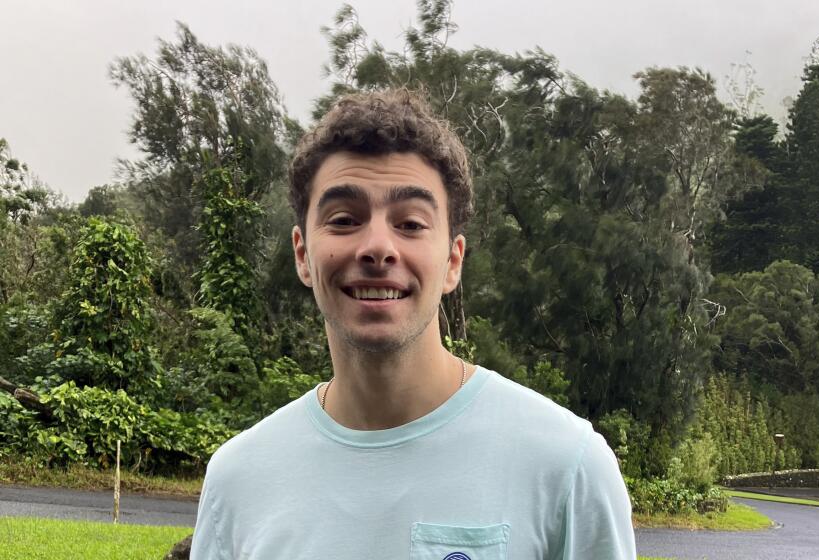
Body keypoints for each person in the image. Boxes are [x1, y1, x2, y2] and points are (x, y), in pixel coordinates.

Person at [190, 89, 636, 559]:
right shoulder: (238, 481)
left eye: (411, 223)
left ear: (452, 261)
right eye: (344, 219)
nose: (378, 246)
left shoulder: (566, 466)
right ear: (303, 254)